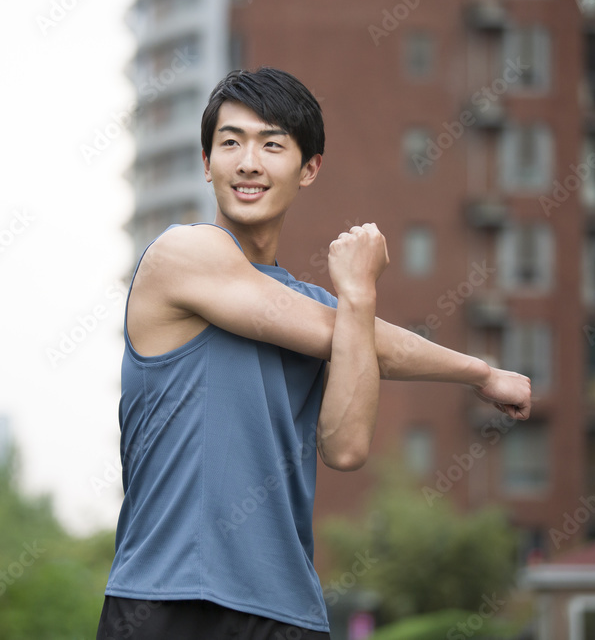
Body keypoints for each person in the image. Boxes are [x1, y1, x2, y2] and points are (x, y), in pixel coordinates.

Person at [95, 67, 531, 639]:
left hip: (289, 614)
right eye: (230, 143)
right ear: (207, 164)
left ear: (309, 169)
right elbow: (354, 336)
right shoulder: (182, 255)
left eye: (272, 144)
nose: (248, 162)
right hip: (167, 602)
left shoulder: (331, 314)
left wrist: (359, 300)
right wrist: (478, 370)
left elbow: (347, 448)